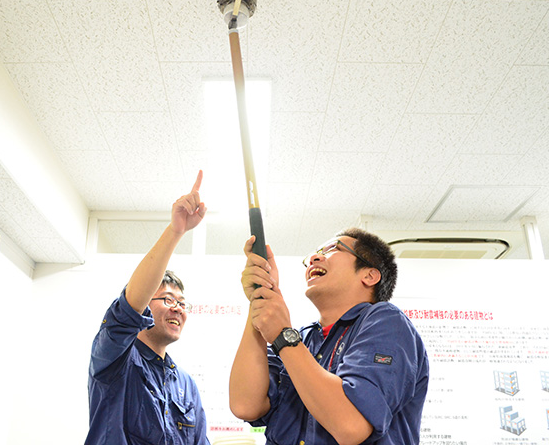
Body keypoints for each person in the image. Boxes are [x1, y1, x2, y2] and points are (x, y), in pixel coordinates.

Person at [229, 228, 429, 445]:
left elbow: (350, 426)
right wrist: (261, 296)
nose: (315, 257)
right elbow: (245, 406)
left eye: (333, 248)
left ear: (369, 276)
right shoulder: (302, 338)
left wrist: (283, 335)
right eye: (315, 253)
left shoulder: (386, 322)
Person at [85, 171, 210, 445]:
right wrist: (176, 231)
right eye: (167, 299)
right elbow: (126, 312)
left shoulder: (185, 385)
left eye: (181, 303)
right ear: (144, 308)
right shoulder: (114, 359)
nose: (177, 308)